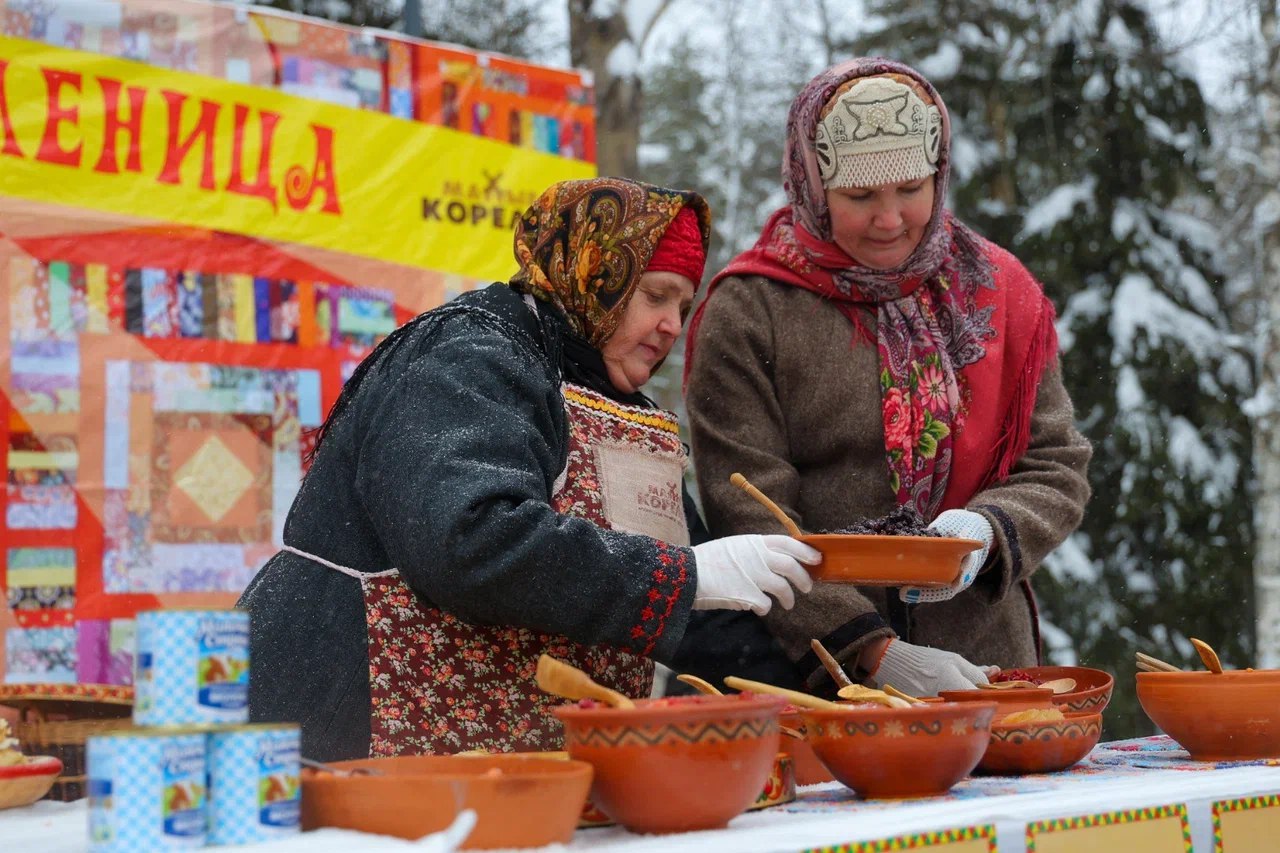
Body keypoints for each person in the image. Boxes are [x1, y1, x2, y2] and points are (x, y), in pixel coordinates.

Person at [237, 178, 818, 761]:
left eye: (684, 307)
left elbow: (696, 606)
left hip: (508, 767)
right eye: (656, 295)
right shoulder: (468, 356)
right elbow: (469, 543)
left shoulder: (622, 408)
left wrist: (832, 698)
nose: (674, 325)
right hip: (333, 731)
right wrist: (681, 578)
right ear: (594, 272)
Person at [680, 59, 1092, 699]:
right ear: (812, 186)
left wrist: (981, 533)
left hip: (987, 667)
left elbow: (1056, 463)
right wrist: (873, 650)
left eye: (911, 188)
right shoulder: (753, 309)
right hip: (822, 680)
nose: (891, 218)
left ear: (939, 173)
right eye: (860, 196)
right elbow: (748, 507)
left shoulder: (999, 293)